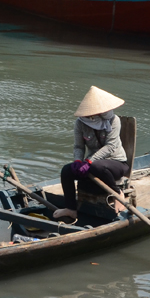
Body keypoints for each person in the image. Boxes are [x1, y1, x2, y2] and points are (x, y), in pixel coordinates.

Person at [53, 86, 129, 221]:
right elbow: (78, 146)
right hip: (93, 164)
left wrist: (89, 161)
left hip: (116, 163)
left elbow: (110, 147)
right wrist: (78, 161)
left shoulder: (113, 120)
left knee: (97, 166)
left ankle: (118, 194)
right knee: (67, 170)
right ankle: (71, 209)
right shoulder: (80, 123)